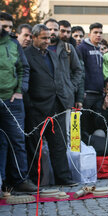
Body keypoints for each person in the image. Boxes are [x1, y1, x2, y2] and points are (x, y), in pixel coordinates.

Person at [24, 24, 75, 186]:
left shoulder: (53, 55)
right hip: (37, 108)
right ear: (34, 38)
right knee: (34, 147)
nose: (48, 41)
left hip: (57, 105)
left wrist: (68, 93)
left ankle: (64, 178)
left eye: (49, 38)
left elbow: (61, 77)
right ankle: (35, 181)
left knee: (59, 145)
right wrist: (30, 105)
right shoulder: (26, 55)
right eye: (44, 38)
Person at [0, 21, 37, 192]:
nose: (5, 29)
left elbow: (24, 68)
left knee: (17, 141)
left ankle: (20, 179)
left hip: (12, 101)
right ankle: (2, 182)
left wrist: (20, 90)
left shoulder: (13, 44)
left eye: (8, 26)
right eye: (3, 25)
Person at [44, 18, 82, 109]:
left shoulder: (68, 48)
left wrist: (71, 87)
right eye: (49, 29)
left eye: (55, 29)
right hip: (45, 99)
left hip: (65, 98)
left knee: (64, 123)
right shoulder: (38, 48)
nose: (52, 32)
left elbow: (78, 70)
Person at [77, 22, 104, 109]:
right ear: (89, 34)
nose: (98, 35)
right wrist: (81, 93)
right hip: (87, 93)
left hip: (99, 93)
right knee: (85, 121)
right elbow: (79, 71)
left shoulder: (100, 49)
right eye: (95, 32)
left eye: (100, 33)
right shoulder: (82, 48)